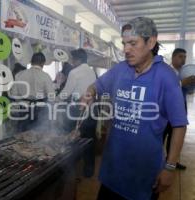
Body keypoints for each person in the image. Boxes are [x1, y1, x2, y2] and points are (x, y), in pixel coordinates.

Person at [82, 17, 187, 200]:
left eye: (133, 43)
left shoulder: (166, 77)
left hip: (143, 174)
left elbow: (179, 125)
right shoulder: (120, 69)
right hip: (113, 169)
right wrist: (89, 92)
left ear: (151, 42)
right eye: (124, 43)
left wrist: (169, 167)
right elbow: (96, 85)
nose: (126, 50)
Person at [57, 49, 97, 178]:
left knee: (73, 139)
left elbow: (66, 93)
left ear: (78, 60)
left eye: (72, 59)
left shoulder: (74, 73)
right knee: (89, 139)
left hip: (76, 110)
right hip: (91, 110)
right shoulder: (92, 72)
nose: (71, 62)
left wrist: (54, 98)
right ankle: (89, 170)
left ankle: (71, 170)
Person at [163, 48, 195, 170]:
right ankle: (156, 161)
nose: (183, 60)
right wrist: (182, 82)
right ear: (173, 57)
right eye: (181, 56)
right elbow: (166, 88)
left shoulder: (184, 72)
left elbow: (188, 92)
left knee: (175, 135)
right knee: (162, 134)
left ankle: (172, 161)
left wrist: (191, 85)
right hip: (167, 108)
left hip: (180, 106)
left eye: (185, 57)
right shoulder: (166, 71)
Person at [10, 52, 55, 132]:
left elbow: (14, 94)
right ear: (43, 63)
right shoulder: (46, 76)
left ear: (31, 61)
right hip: (39, 109)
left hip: (23, 108)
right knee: (38, 135)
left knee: (22, 134)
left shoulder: (19, 75)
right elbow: (51, 97)